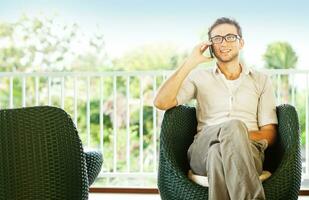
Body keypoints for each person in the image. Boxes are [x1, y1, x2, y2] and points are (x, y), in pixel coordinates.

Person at [153, 17, 278, 200]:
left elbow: (270, 133)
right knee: (231, 128)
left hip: (249, 152)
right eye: (217, 39)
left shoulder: (261, 80)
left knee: (218, 154)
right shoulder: (198, 77)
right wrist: (190, 62)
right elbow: (161, 102)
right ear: (211, 45)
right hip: (202, 150)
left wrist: (235, 138)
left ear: (241, 42)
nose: (224, 42)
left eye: (230, 37)